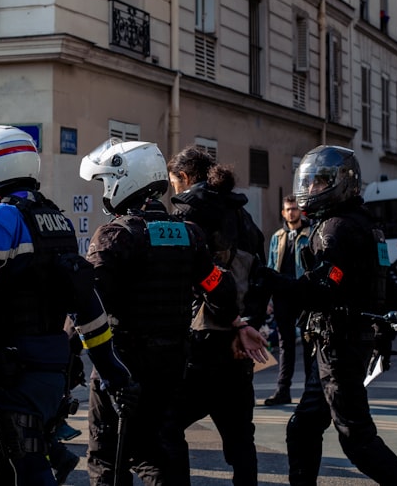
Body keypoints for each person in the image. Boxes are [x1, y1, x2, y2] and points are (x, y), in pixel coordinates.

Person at [0, 125, 136, 486]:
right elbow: (85, 302)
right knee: (13, 461)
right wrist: (112, 368)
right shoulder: (54, 219)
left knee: (13, 468)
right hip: (50, 372)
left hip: (9, 371)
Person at [80, 138, 262, 486]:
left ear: (125, 180)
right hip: (172, 365)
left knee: (107, 457)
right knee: (160, 452)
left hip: (121, 365)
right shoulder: (188, 235)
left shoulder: (114, 235)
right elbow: (219, 291)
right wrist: (236, 323)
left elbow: (87, 302)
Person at [280, 145, 397, 486]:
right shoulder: (366, 224)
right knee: (304, 427)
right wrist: (382, 333)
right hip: (342, 342)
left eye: (318, 182)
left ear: (341, 182)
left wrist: (270, 282)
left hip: (338, 343)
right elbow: (387, 288)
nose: (310, 189)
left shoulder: (335, 229)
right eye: (308, 181)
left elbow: (323, 288)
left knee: (356, 438)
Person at [164, 150, 269, 486]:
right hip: (239, 344)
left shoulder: (187, 214)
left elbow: (184, 278)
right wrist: (246, 322)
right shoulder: (245, 219)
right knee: (241, 441)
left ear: (183, 178)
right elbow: (260, 278)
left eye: (172, 183)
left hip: (200, 340)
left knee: (165, 427)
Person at [264, 194, 312, 406]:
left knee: (310, 341)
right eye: (288, 209)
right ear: (283, 213)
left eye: (294, 208)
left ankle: (312, 390)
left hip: (303, 294)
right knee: (286, 345)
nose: (291, 212)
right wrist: (268, 298)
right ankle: (283, 390)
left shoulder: (309, 234)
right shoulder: (277, 237)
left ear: (300, 211)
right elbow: (271, 266)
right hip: (283, 295)